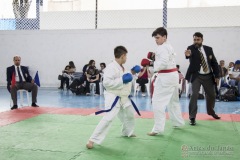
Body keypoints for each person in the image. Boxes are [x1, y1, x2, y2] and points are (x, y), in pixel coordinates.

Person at [86, 46, 140, 149]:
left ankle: (127, 132)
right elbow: (106, 83)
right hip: (113, 96)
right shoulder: (111, 67)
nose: (126, 58)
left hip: (123, 96)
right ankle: (92, 139)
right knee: (109, 117)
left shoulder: (121, 67)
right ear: (122, 56)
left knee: (129, 114)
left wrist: (132, 72)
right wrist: (122, 80)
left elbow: (126, 76)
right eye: (126, 56)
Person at [146, 27, 185, 136]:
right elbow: (166, 60)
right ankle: (178, 122)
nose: (156, 40)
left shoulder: (162, 48)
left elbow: (163, 62)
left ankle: (157, 129)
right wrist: (155, 59)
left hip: (166, 77)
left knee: (157, 101)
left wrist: (151, 65)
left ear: (164, 37)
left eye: (158, 38)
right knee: (173, 101)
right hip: (173, 76)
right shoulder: (169, 46)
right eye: (155, 38)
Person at [185, 32, 220, 125]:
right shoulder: (191, 48)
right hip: (196, 75)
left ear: (202, 40)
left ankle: (210, 111)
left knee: (212, 95)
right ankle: (192, 117)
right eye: (194, 39)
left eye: (198, 40)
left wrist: (217, 76)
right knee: (194, 95)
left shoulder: (208, 49)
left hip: (208, 76)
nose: (196, 41)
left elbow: (214, 63)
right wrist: (187, 55)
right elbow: (188, 55)